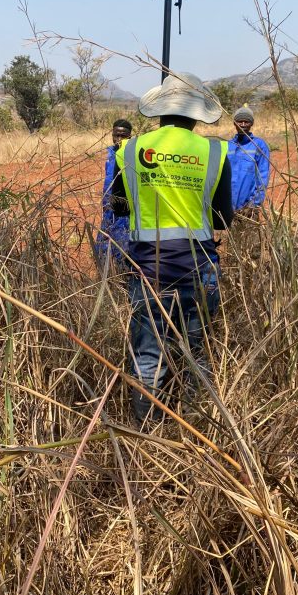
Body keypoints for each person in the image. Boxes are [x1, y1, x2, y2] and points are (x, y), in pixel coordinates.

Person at [111, 73, 233, 422]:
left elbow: (118, 206)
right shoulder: (214, 150)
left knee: (149, 356)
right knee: (197, 355)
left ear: (159, 112)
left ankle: (146, 437)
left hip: (148, 270)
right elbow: (223, 219)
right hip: (199, 268)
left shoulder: (132, 149)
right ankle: (195, 432)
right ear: (197, 114)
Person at [95, 119, 132, 266]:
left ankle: (122, 273)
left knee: (123, 241)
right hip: (108, 204)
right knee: (104, 242)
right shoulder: (109, 152)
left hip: (123, 204)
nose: (119, 139)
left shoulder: (132, 154)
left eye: (123, 136)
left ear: (130, 136)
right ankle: (105, 273)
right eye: (116, 135)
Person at [227, 105, 270, 214]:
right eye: (239, 121)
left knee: (249, 231)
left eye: (246, 122)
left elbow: (263, 176)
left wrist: (254, 203)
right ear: (234, 123)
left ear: (252, 124)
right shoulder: (228, 145)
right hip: (228, 206)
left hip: (248, 207)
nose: (243, 125)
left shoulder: (259, 145)